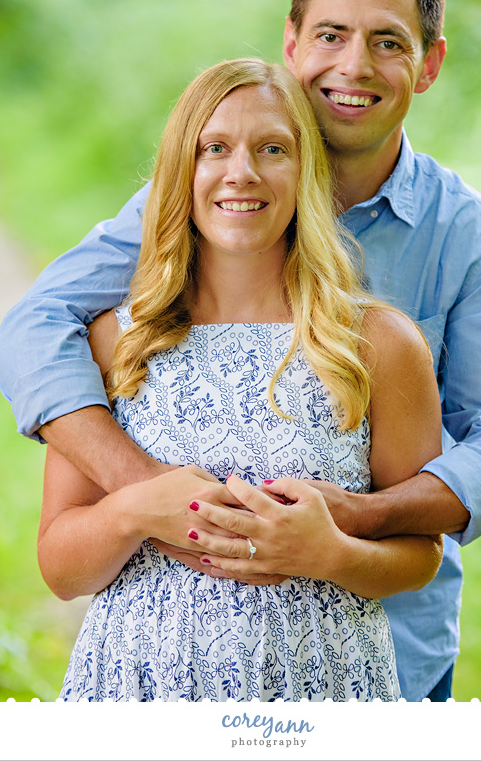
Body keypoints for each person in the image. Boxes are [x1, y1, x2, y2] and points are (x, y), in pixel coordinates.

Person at [0, 0, 481, 702]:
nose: (353, 65)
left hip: (379, 659)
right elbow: (33, 326)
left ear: (429, 64)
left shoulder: (469, 248)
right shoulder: (200, 199)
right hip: (151, 684)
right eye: (330, 35)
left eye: (387, 41)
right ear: (293, 43)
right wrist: (149, 493)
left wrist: (352, 519)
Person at [38, 58, 443, 701]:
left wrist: (328, 554)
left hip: (322, 693)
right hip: (138, 693)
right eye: (215, 148)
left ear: (306, 171)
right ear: (182, 171)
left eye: (272, 149)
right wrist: (136, 508)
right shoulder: (117, 341)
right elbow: (60, 569)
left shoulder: (379, 344)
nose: (242, 172)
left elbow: (420, 554)